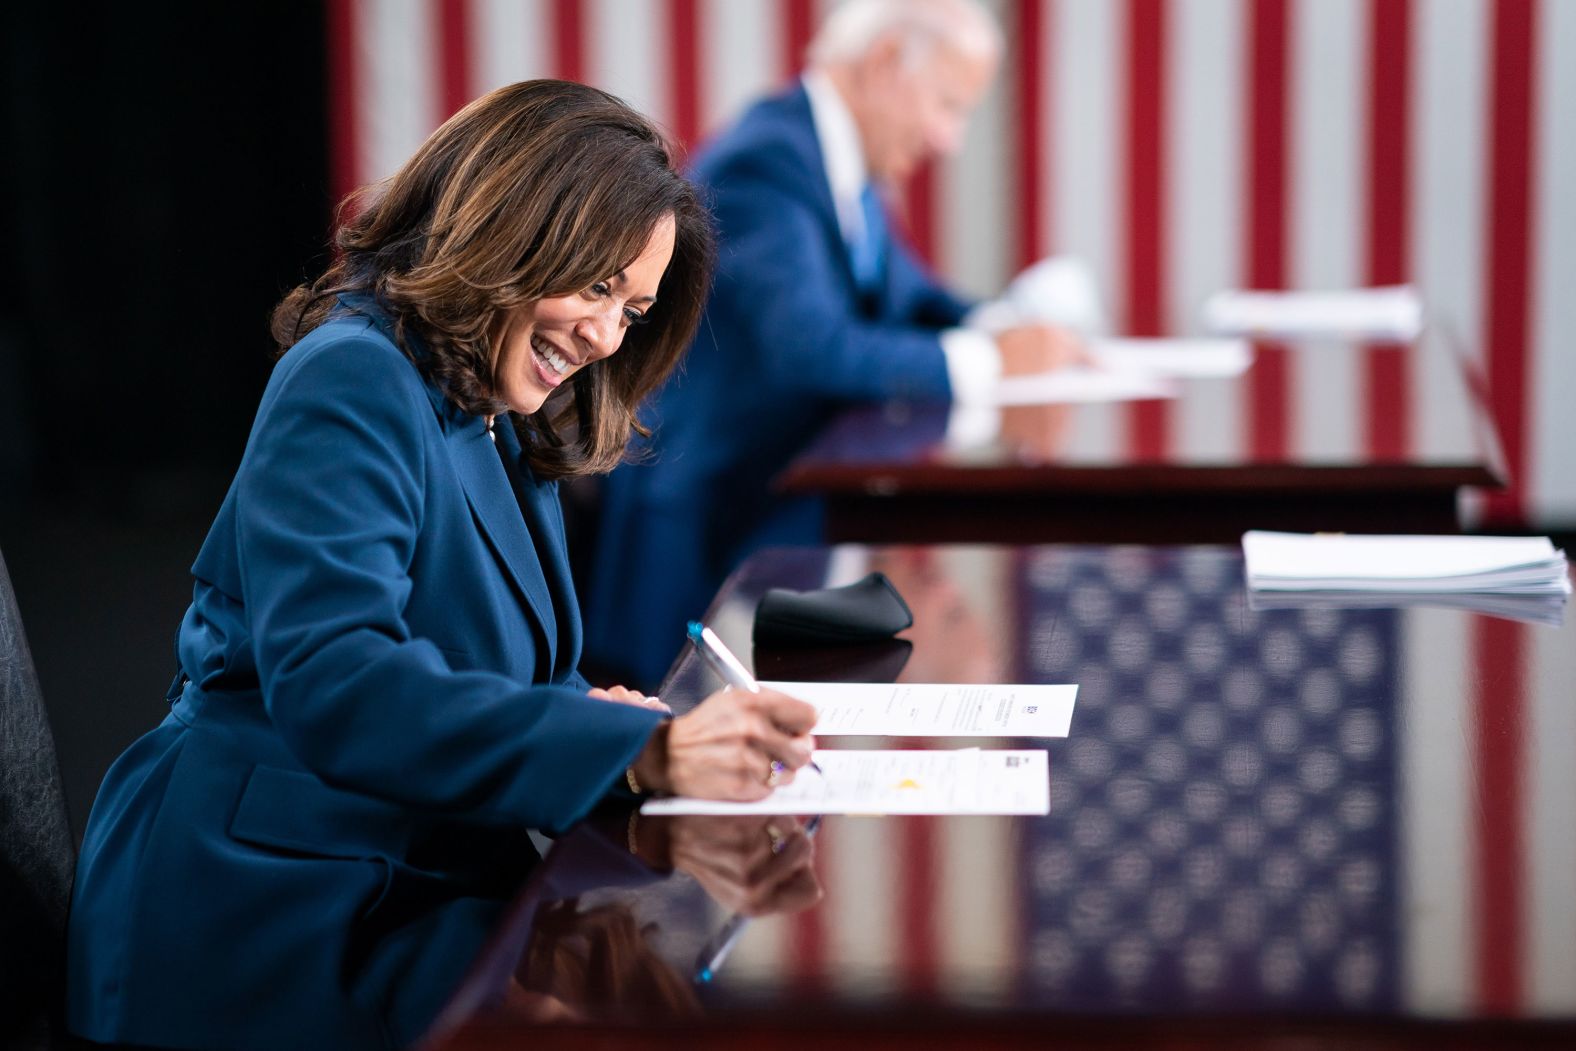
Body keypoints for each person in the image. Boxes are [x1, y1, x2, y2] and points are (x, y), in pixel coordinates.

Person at [65, 80, 817, 1050]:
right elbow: (339, 680)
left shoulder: (494, 404)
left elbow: (484, 662)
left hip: (411, 873)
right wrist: (631, 749)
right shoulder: (353, 377)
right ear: (515, 231)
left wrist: (596, 713)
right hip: (274, 908)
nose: (603, 338)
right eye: (595, 288)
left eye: (631, 310)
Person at [585, 0, 1083, 689]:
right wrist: (997, 360)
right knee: (665, 758)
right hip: (701, 532)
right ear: (883, 65)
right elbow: (813, 348)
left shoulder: (839, 164)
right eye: (945, 103)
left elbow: (915, 300)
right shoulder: (769, 161)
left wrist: (1016, 333)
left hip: (772, 516)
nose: (949, 138)